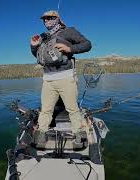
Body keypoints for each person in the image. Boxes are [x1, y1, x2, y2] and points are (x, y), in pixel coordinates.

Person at [30, 10, 92, 146]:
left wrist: (70, 49)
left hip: (66, 77)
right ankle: (41, 135)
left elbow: (87, 44)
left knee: (73, 109)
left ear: (57, 19)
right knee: (45, 110)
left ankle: (78, 136)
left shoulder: (69, 31)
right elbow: (38, 56)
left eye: (50, 18)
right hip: (48, 79)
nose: (47, 21)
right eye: (44, 19)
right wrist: (33, 46)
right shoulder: (43, 37)